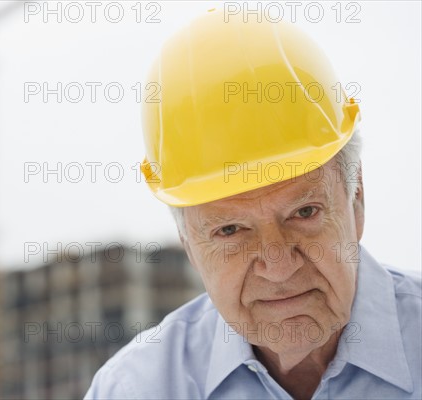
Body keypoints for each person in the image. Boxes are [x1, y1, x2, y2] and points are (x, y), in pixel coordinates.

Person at [84, 9, 421, 400]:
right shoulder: (135, 390)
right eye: (229, 230)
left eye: (304, 212)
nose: (278, 267)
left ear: (356, 196)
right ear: (188, 242)